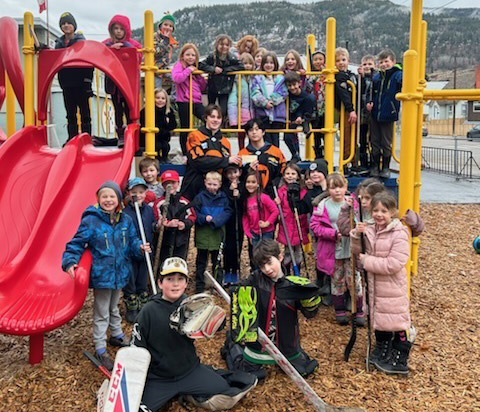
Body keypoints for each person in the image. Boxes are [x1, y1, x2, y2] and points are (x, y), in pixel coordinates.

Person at [132, 257, 257, 410]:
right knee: (136, 408)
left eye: (180, 279)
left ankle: (189, 394)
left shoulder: (192, 304)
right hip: (159, 378)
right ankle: (177, 394)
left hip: (189, 371)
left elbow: (212, 324)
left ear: (186, 283)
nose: (175, 284)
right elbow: (136, 350)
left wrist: (217, 321)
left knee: (226, 392)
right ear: (160, 283)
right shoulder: (148, 312)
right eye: (169, 279)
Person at [62, 181, 150, 370]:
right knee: (102, 311)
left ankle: (117, 334)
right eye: (104, 196)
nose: (108, 200)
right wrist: (70, 261)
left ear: (118, 199)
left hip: (120, 272)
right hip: (103, 274)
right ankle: (100, 346)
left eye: (112, 196)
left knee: (114, 307)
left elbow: (132, 241)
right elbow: (77, 242)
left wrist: (139, 247)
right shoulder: (91, 220)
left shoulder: (125, 220)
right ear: (98, 199)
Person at [235, 239, 320, 378]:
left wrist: (310, 299)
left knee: (303, 370)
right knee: (246, 374)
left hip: (286, 346)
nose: (267, 269)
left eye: (269, 263)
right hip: (258, 346)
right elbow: (238, 293)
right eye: (262, 266)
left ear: (280, 257)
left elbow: (310, 314)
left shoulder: (292, 284)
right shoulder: (255, 279)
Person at [350, 192, 412, 375]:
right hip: (375, 286)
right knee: (379, 320)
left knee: (396, 321)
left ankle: (400, 359)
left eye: (384, 211)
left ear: (392, 212)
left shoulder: (399, 233)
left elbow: (394, 264)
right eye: (375, 210)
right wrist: (356, 235)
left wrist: (367, 261)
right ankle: (383, 349)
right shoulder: (369, 229)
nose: (378, 214)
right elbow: (358, 254)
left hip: (392, 286)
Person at [310, 173, 364, 325]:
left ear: (345, 187)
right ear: (328, 189)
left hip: (350, 247)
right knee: (337, 279)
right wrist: (332, 234)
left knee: (354, 278)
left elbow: (360, 219)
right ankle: (340, 310)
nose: (337, 191)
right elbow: (315, 226)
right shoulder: (322, 206)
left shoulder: (352, 203)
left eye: (340, 187)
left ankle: (358, 310)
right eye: (333, 188)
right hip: (333, 249)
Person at [181, 104, 241, 201]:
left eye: (218, 117)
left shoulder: (225, 142)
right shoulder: (194, 136)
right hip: (194, 186)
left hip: (217, 189)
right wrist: (226, 161)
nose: (215, 120)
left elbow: (226, 167)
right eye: (212, 117)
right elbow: (198, 162)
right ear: (205, 118)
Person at [103, 15, 142, 148]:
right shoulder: (107, 43)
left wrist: (125, 45)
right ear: (111, 30)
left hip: (129, 83)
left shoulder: (134, 44)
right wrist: (112, 49)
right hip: (114, 83)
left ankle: (132, 136)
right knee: (117, 110)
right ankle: (120, 135)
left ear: (127, 30)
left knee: (131, 110)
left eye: (121, 29)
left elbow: (139, 56)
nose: (118, 31)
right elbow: (100, 53)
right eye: (115, 28)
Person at [55, 12, 94, 142]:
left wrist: (88, 83)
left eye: (68, 23)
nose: (66, 25)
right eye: (63, 24)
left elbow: (89, 64)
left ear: (74, 25)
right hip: (66, 83)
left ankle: (87, 137)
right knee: (70, 113)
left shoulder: (81, 42)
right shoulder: (59, 44)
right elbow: (54, 59)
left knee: (85, 113)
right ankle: (72, 138)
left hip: (81, 82)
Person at [122, 178, 156, 323]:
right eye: (134, 192)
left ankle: (143, 304)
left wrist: (157, 226)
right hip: (130, 253)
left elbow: (151, 226)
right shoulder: (125, 213)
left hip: (146, 251)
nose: (138, 195)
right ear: (129, 193)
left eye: (141, 192)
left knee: (143, 278)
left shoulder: (148, 210)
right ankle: (131, 306)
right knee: (131, 279)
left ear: (146, 193)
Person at [193, 171, 232, 292]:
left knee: (217, 261)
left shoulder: (223, 198)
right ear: (205, 183)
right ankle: (199, 286)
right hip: (203, 234)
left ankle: (217, 285)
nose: (211, 187)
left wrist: (217, 220)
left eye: (214, 185)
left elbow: (228, 212)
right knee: (201, 261)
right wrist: (204, 218)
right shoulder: (200, 197)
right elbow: (194, 213)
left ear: (219, 184)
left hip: (217, 233)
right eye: (209, 184)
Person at [367, 49, 403, 179]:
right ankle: (375, 166)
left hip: (389, 113)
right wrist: (369, 101)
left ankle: (386, 167)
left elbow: (403, 82)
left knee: (386, 142)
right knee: (374, 141)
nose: (383, 64)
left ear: (393, 62)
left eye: (386, 61)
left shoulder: (397, 75)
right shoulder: (377, 77)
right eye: (381, 62)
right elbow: (370, 93)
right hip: (375, 113)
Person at [199, 35, 244, 126]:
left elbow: (240, 66)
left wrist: (226, 70)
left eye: (227, 45)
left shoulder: (231, 57)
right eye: (221, 44)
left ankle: (220, 127)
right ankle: (208, 127)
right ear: (217, 45)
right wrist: (213, 69)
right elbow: (201, 65)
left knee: (223, 110)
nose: (224, 47)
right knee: (210, 109)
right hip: (213, 87)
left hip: (225, 88)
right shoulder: (212, 57)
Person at [153, 170, 196, 263]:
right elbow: (157, 218)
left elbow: (192, 217)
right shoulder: (159, 203)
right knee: (164, 262)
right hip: (165, 239)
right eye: (167, 183)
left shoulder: (184, 202)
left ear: (178, 183)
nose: (170, 186)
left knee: (179, 262)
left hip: (181, 239)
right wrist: (167, 223)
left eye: (173, 183)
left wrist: (184, 224)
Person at [172, 43, 207, 155]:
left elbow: (203, 87)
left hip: (196, 101)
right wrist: (188, 71)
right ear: (182, 56)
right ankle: (185, 152)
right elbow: (176, 78)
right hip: (184, 101)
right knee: (185, 127)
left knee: (207, 119)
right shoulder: (179, 65)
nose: (190, 57)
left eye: (193, 55)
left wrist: (199, 76)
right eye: (188, 55)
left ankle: (203, 144)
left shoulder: (195, 69)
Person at [274, 163, 309, 274]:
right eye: (287, 173)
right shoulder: (281, 191)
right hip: (286, 224)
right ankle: (286, 272)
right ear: (284, 176)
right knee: (288, 250)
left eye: (293, 174)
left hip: (299, 224)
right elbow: (277, 208)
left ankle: (297, 271)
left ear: (298, 176)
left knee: (298, 251)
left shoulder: (302, 191)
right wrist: (276, 203)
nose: (290, 176)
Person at [238, 118, 286, 198]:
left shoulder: (276, 151)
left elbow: (282, 172)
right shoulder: (242, 154)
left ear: (263, 132)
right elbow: (239, 177)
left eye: (257, 129)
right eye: (250, 130)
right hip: (249, 198)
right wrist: (248, 171)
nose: (254, 132)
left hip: (272, 196)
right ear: (247, 134)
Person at [251, 52, 287, 147]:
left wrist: (272, 101)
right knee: (265, 139)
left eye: (271, 63)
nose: (269, 65)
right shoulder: (257, 78)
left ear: (275, 64)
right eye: (266, 63)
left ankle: (275, 158)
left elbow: (283, 92)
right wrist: (264, 102)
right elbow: (255, 92)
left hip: (276, 114)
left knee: (275, 139)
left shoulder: (280, 78)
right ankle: (265, 159)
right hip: (263, 114)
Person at [242, 170, 279, 259]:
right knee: (257, 254)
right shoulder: (246, 200)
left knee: (267, 254)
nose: (250, 185)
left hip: (267, 231)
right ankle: (258, 271)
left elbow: (275, 211)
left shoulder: (264, 197)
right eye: (248, 182)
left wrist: (267, 222)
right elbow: (245, 217)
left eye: (253, 182)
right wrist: (247, 232)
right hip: (254, 232)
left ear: (258, 184)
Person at [334, 47, 357, 174]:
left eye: (343, 60)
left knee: (354, 136)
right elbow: (344, 94)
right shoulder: (339, 77)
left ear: (348, 60)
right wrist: (351, 109)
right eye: (338, 61)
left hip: (352, 109)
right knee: (347, 136)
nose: (341, 63)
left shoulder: (350, 75)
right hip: (345, 109)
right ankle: (346, 162)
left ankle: (353, 161)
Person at [284, 71, 315, 163]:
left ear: (299, 83)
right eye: (289, 86)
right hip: (291, 117)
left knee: (311, 98)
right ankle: (295, 155)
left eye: (294, 85)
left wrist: (301, 117)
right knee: (288, 136)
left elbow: (302, 108)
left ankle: (306, 122)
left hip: (302, 114)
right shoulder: (287, 95)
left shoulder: (305, 95)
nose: (292, 88)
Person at [139, 88, 176, 163]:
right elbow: (143, 123)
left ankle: (164, 159)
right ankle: (157, 159)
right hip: (151, 137)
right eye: (157, 98)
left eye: (163, 98)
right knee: (157, 146)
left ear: (166, 100)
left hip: (163, 137)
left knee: (166, 146)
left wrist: (168, 123)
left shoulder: (168, 111)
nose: (160, 100)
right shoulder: (146, 110)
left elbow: (173, 125)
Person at [228, 52, 255, 150]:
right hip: (241, 111)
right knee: (241, 134)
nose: (247, 66)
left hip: (253, 111)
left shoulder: (254, 78)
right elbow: (232, 100)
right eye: (245, 63)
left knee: (253, 134)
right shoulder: (237, 79)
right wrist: (233, 119)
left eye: (250, 63)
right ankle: (242, 151)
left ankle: (252, 151)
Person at [222, 164, 244, 282]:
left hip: (239, 220)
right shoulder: (225, 187)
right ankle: (226, 270)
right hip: (228, 221)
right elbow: (225, 202)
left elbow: (243, 202)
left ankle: (235, 270)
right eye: (229, 173)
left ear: (239, 172)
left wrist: (238, 194)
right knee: (227, 247)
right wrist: (231, 193)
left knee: (237, 245)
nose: (232, 175)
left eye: (234, 172)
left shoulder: (243, 186)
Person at [306, 50, 326, 159]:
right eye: (315, 60)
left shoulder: (328, 74)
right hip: (315, 109)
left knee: (325, 133)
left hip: (325, 109)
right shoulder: (311, 76)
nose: (318, 62)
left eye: (320, 59)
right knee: (316, 133)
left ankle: (326, 153)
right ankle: (317, 155)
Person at [358, 55, 377, 170]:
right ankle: (363, 163)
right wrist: (361, 77)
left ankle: (374, 163)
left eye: (370, 64)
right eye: (365, 64)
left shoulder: (377, 78)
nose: (367, 66)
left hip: (374, 113)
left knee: (373, 139)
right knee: (362, 139)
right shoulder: (360, 79)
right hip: (362, 114)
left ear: (375, 66)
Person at [153, 12, 178, 89]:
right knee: (157, 88)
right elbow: (157, 53)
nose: (168, 27)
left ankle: (174, 98)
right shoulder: (155, 37)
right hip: (155, 68)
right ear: (160, 26)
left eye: (170, 26)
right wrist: (165, 41)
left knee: (177, 79)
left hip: (165, 68)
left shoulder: (171, 40)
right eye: (165, 25)